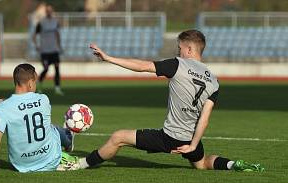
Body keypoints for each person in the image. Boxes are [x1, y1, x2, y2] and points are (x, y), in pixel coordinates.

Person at [78, 30, 264, 172]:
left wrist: (108, 58)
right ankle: (233, 164)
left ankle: (81, 164)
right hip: (190, 139)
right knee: (201, 164)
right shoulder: (213, 81)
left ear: (189, 49)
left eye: (180, 48)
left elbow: (142, 66)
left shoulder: (178, 64)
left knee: (118, 137)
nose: (179, 51)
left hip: (169, 137)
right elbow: (204, 119)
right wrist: (192, 145)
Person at [0, 63, 80, 175]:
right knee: (52, 128)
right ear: (31, 83)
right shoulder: (44, 99)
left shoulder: (2, 108)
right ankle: (68, 140)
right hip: (49, 160)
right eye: (35, 81)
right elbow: (26, 104)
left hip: (20, 164)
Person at [32, 5, 64, 95]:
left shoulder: (55, 22)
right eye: (48, 10)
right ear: (46, 12)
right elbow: (34, 36)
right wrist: (36, 45)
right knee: (46, 69)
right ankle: (39, 84)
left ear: (52, 11)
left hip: (54, 50)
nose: (49, 12)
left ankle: (57, 88)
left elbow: (57, 34)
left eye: (51, 10)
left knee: (57, 68)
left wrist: (59, 46)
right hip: (45, 51)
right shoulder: (41, 23)